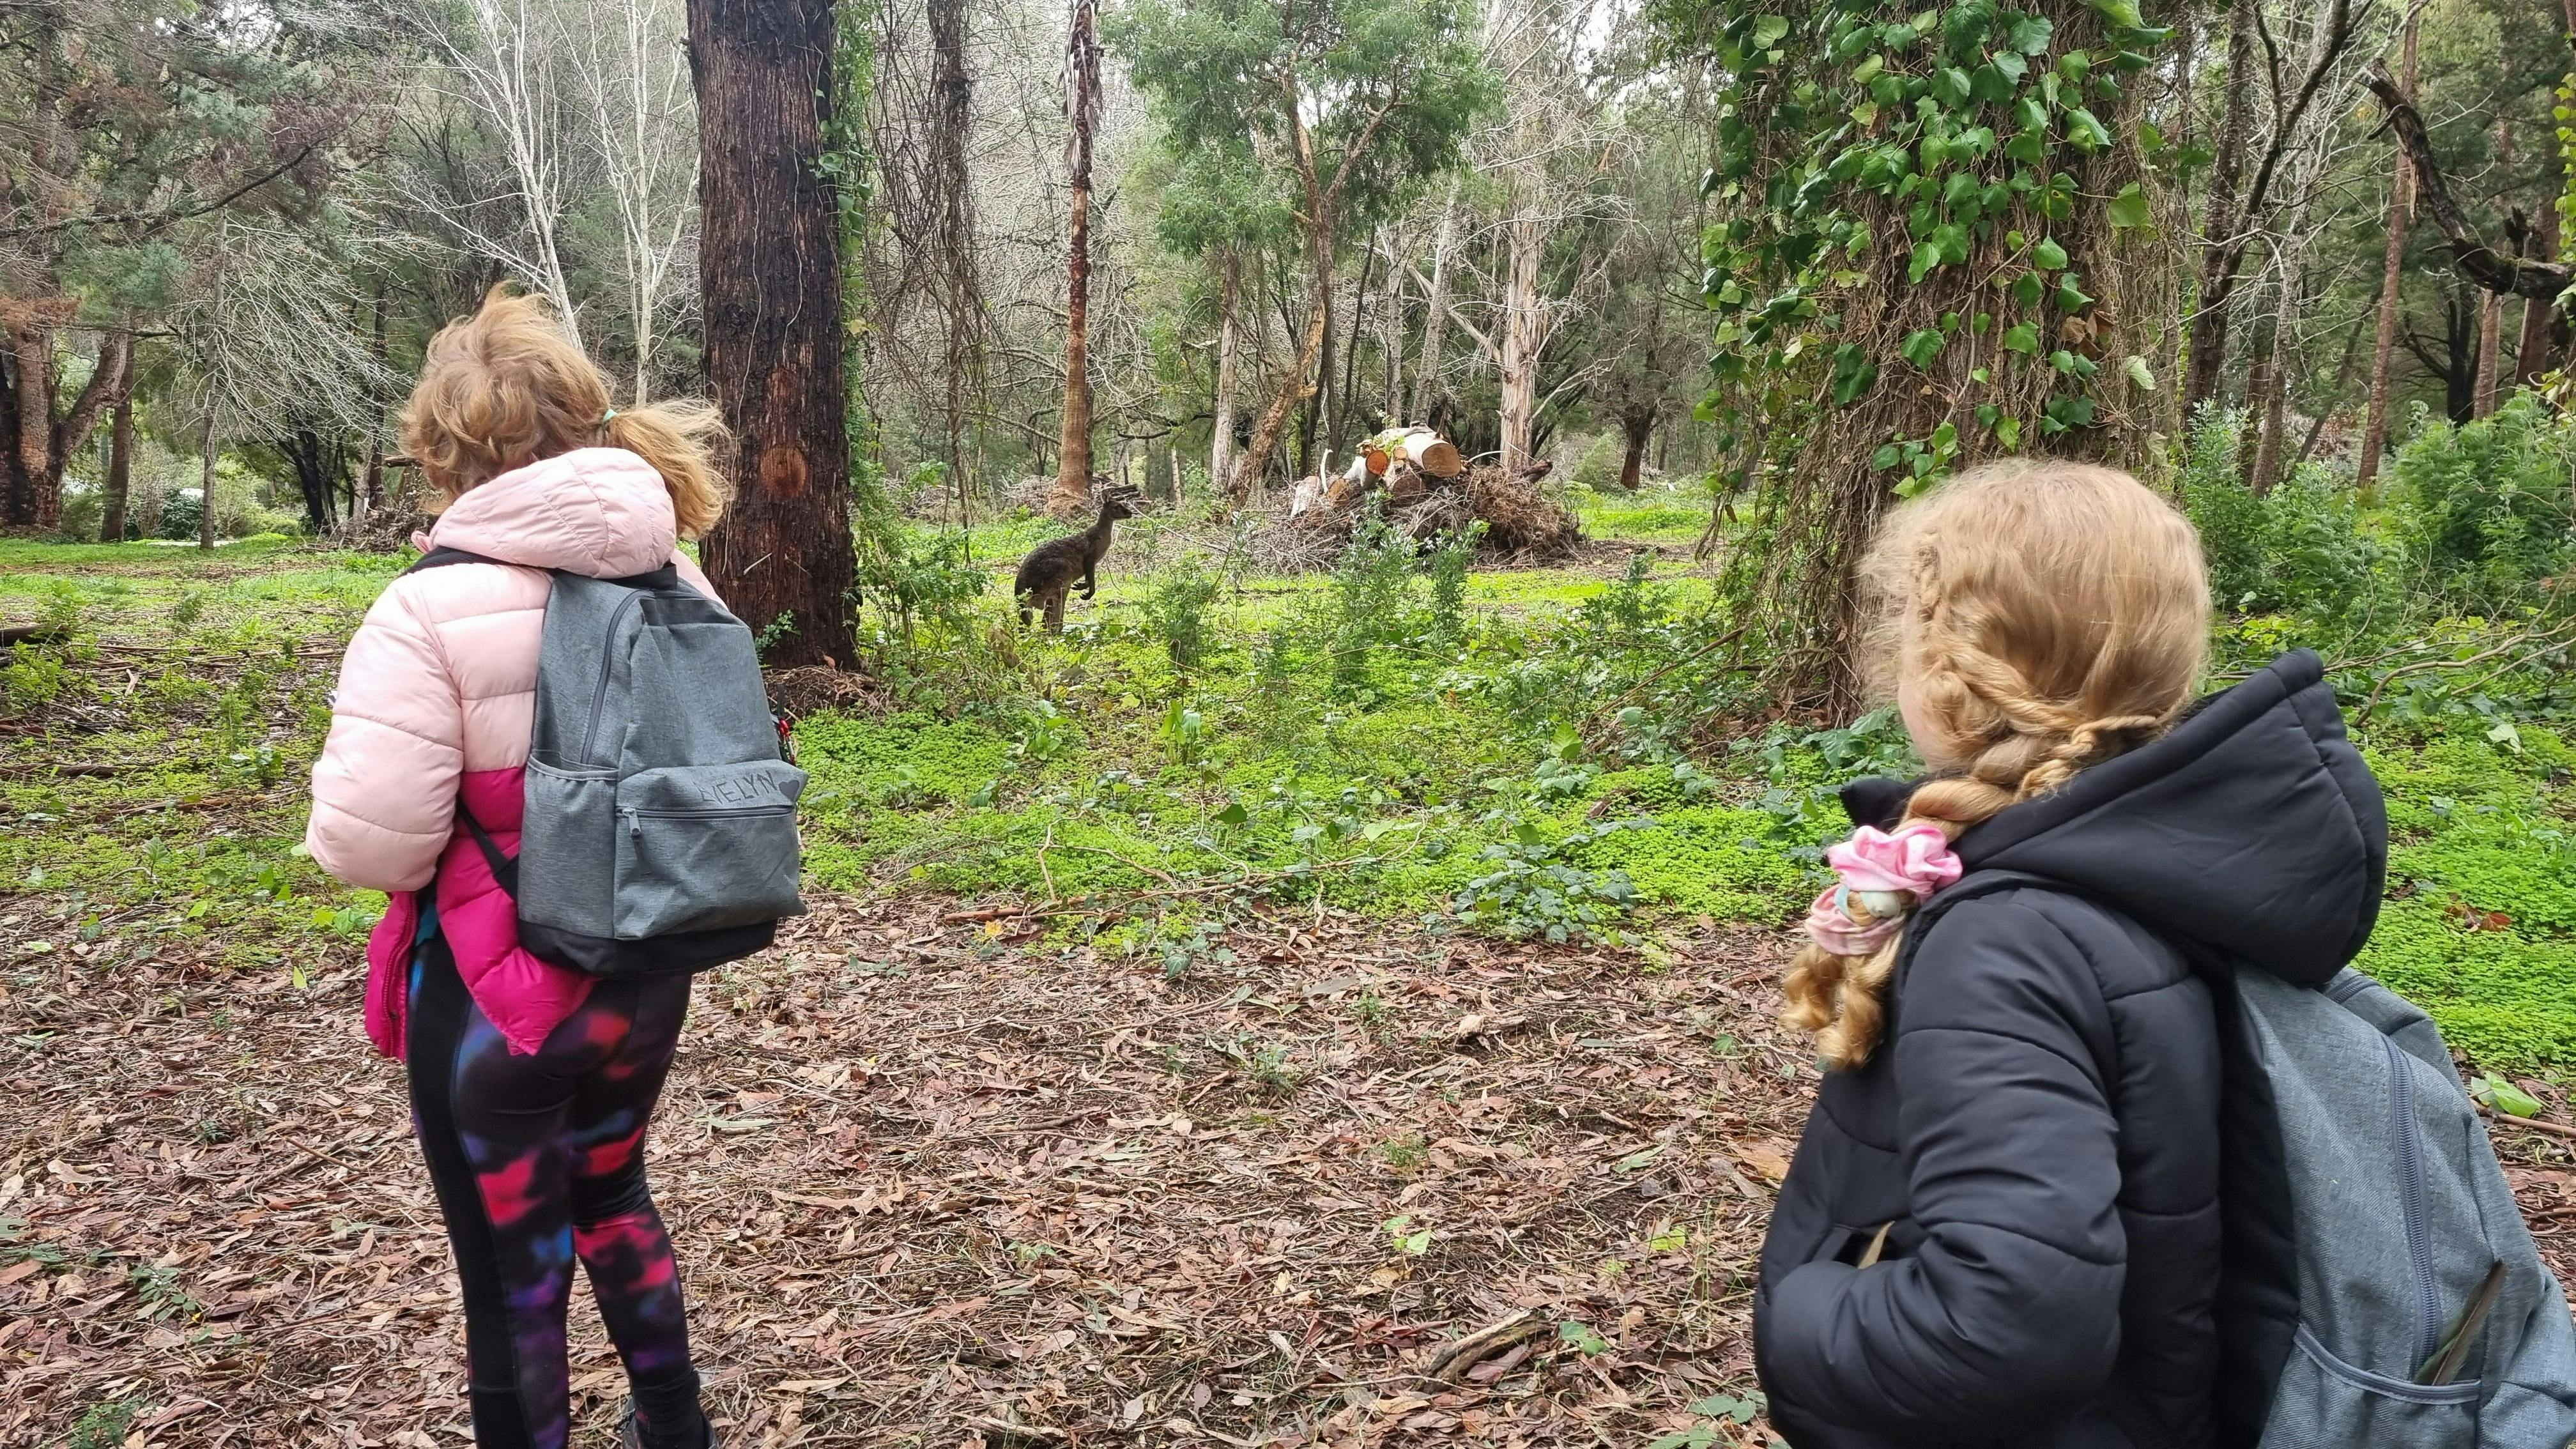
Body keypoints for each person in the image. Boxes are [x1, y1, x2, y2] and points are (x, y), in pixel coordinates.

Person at [1754, 461, 2386, 1446]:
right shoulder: (2174, 864)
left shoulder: (2010, 941)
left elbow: (2001, 1332)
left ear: (1944, 674)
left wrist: (1801, 1311)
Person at [307, 288, 732, 1449]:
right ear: (582, 422)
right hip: (646, 971)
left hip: (499, 1005)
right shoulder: (677, 578)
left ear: (446, 451)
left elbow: (372, 842)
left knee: (509, 1275)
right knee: (614, 1194)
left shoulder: (425, 611)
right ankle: (676, 1431)